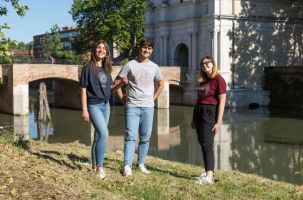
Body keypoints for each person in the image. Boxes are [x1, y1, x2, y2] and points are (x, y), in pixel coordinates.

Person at [114, 38, 164, 176]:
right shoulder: (130, 65)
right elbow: (117, 82)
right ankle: (127, 166)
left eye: (149, 48)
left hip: (148, 107)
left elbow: (161, 84)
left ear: (152, 50)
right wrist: (122, 98)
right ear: (140, 48)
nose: (147, 50)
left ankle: (141, 164)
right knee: (130, 136)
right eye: (144, 47)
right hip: (132, 106)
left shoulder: (154, 67)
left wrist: (153, 99)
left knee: (145, 137)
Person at [80, 40, 127, 180]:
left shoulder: (107, 69)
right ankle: (100, 168)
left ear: (107, 52)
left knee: (98, 136)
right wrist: (84, 110)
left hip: (106, 105)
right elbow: (83, 90)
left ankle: (94, 166)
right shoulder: (88, 68)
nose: (101, 50)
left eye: (104, 48)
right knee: (104, 134)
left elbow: (109, 90)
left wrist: (120, 85)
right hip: (93, 105)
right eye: (98, 48)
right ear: (94, 50)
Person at [191, 56, 226, 184]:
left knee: (207, 144)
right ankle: (207, 171)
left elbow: (222, 101)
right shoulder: (203, 80)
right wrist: (193, 118)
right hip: (199, 111)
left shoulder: (219, 79)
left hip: (209, 112)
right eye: (202, 64)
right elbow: (198, 99)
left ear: (213, 64)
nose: (204, 65)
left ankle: (209, 177)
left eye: (207, 63)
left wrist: (218, 122)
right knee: (202, 143)